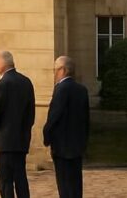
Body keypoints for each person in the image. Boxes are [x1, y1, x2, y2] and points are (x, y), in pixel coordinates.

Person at [0, 50, 35, 198]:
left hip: (4, 142)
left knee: (6, 182)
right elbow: (30, 115)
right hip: (21, 141)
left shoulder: (0, 85)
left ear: (2, 62)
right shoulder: (26, 82)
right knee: (21, 179)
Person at [43, 56, 90, 198]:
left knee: (64, 185)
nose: (54, 74)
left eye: (55, 70)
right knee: (76, 184)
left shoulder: (61, 89)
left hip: (62, 146)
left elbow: (54, 116)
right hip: (77, 145)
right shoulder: (82, 89)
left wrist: (47, 136)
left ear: (63, 70)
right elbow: (86, 119)